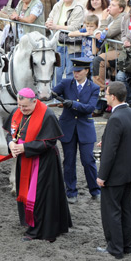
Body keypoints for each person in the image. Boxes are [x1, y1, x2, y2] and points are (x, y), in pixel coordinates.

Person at [3, 87, 71, 241]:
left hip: (44, 162)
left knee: (40, 196)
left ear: (35, 101)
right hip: (24, 159)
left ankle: (38, 230)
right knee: (26, 193)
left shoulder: (47, 114)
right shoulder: (17, 112)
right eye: (20, 106)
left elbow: (50, 141)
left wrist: (25, 147)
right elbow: (11, 133)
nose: (22, 109)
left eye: (25, 106)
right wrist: (11, 144)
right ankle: (30, 222)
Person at [96, 81, 131, 259]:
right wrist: (107, 139)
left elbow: (110, 153)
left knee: (112, 210)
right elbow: (129, 138)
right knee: (127, 209)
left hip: (116, 173)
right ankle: (127, 245)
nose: (105, 96)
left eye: (107, 94)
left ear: (113, 97)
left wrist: (102, 176)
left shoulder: (115, 118)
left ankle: (115, 248)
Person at [53, 56, 100, 203]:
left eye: (79, 71)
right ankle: (71, 192)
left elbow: (90, 108)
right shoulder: (66, 83)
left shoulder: (94, 87)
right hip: (68, 128)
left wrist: (72, 104)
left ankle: (95, 190)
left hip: (85, 129)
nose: (75, 73)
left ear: (87, 71)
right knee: (69, 161)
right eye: (74, 71)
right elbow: (52, 93)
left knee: (88, 160)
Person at [47, 0, 85, 79]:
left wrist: (56, 27)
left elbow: (74, 27)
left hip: (72, 45)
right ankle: (56, 93)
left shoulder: (78, 8)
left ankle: (68, 93)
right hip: (58, 44)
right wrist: (49, 23)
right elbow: (50, 17)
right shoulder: (58, 5)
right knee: (57, 72)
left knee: (70, 72)